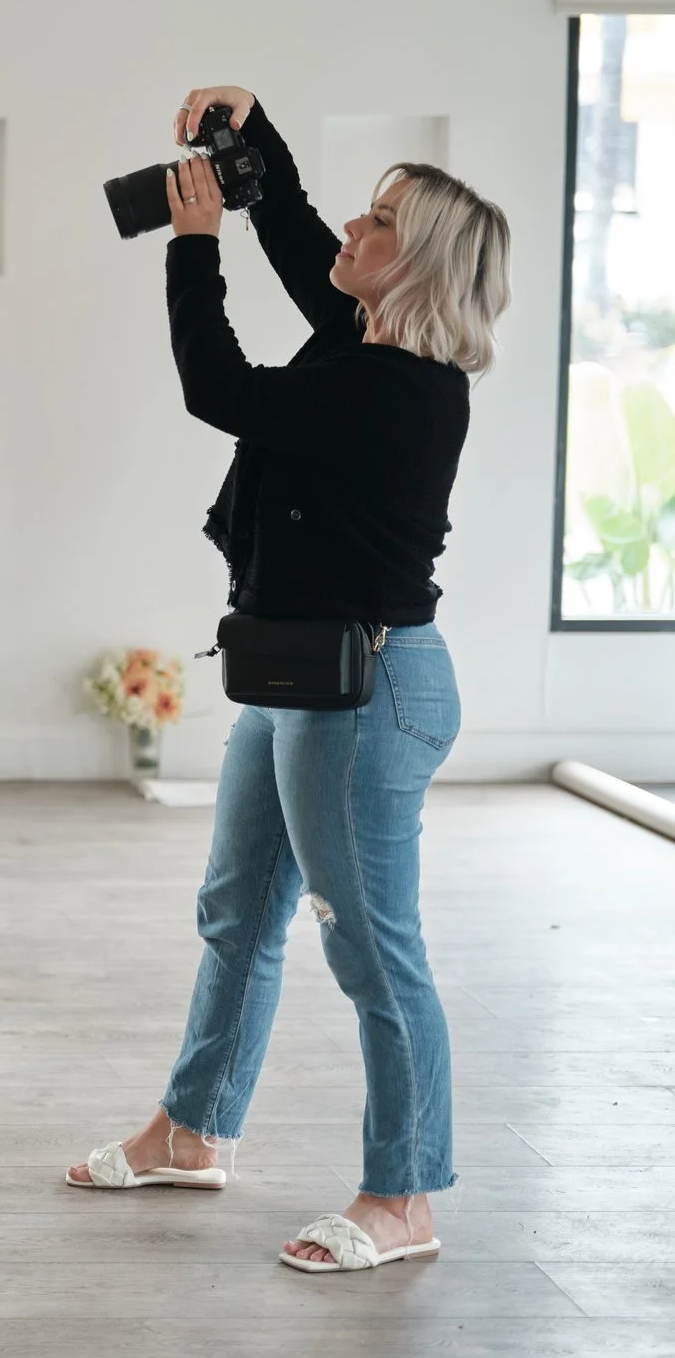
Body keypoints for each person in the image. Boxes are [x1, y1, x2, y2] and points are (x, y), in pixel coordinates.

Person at [66, 85, 511, 1276]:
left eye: (377, 226)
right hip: (295, 677)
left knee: (371, 951)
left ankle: (404, 1197)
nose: (349, 238)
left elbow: (223, 388)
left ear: (411, 266)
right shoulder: (358, 340)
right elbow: (303, 228)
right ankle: (192, 1131)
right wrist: (250, 133)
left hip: (368, 692)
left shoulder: (396, 388)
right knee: (236, 914)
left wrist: (194, 244)